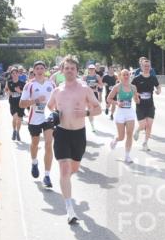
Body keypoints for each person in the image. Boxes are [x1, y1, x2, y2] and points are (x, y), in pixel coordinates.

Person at [47, 55, 102, 224]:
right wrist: (54, 115)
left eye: (72, 68)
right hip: (62, 134)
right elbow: (49, 107)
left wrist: (86, 113)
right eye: (67, 68)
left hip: (79, 134)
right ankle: (70, 209)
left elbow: (98, 109)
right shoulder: (57, 91)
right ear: (62, 71)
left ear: (77, 71)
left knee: (74, 169)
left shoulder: (84, 89)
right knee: (64, 169)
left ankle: (65, 183)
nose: (69, 71)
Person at [19, 60, 56, 188]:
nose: (40, 70)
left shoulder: (51, 84)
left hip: (48, 118)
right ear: (34, 71)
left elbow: (58, 100)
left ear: (45, 70)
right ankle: (34, 162)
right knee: (35, 143)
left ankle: (47, 175)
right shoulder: (29, 86)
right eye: (37, 68)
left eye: (42, 68)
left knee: (48, 144)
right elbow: (21, 104)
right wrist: (35, 100)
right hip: (34, 119)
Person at [106, 68, 140, 163]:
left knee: (129, 134)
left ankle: (127, 156)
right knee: (121, 137)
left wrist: (137, 99)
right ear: (120, 76)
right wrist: (117, 103)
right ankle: (115, 140)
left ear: (130, 76)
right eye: (124, 75)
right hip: (120, 113)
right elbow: (108, 99)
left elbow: (137, 100)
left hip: (130, 112)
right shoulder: (117, 87)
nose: (126, 76)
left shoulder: (133, 87)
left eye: (127, 74)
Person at [132, 56, 161, 151]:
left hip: (150, 105)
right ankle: (137, 131)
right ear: (141, 67)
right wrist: (135, 96)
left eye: (148, 66)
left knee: (149, 125)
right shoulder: (136, 79)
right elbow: (131, 89)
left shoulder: (153, 78)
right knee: (143, 125)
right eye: (145, 66)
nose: (147, 68)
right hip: (140, 105)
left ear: (150, 67)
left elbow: (158, 86)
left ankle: (145, 143)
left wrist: (158, 91)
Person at [7, 67, 26, 141]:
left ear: (18, 74)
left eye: (16, 73)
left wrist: (19, 91)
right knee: (15, 117)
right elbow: (6, 90)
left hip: (21, 102)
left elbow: (25, 93)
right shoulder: (9, 82)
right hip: (12, 102)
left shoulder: (22, 83)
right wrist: (9, 92)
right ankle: (14, 130)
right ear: (11, 74)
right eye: (13, 73)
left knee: (19, 119)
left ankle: (18, 132)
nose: (14, 75)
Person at [83, 63, 104, 132]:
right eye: (90, 69)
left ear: (95, 69)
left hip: (94, 94)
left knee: (93, 109)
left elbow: (101, 86)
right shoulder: (85, 77)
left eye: (92, 69)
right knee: (89, 109)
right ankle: (92, 125)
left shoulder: (97, 77)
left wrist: (97, 84)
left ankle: (92, 122)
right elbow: (81, 87)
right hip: (87, 95)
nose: (91, 70)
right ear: (88, 70)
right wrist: (87, 87)